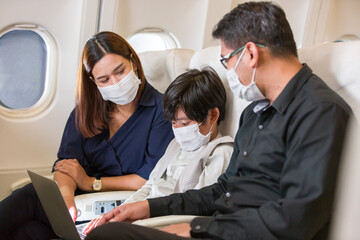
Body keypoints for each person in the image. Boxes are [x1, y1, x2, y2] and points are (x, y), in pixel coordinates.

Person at [83, 2, 352, 240]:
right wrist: (148, 207)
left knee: (109, 236)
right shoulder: (255, 112)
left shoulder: (320, 111)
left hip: (235, 233)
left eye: (226, 61)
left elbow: (296, 219)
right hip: (220, 228)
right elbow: (225, 189)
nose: (228, 72)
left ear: (250, 54)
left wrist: (199, 229)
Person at [0, 31, 174, 240]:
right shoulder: (87, 109)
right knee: (28, 231)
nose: (115, 83)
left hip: (116, 203)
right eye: (104, 79)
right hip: (78, 200)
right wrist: (65, 196)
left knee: (29, 198)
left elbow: (146, 179)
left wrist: (91, 182)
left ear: (133, 62)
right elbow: (66, 163)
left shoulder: (161, 112)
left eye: (120, 71)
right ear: (93, 81)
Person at [123, 68, 233, 205]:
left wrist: (145, 210)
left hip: (166, 218)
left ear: (213, 115)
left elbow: (199, 206)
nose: (178, 130)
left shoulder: (220, 153)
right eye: (174, 123)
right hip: (148, 210)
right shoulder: (175, 145)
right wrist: (124, 209)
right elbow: (150, 185)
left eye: (185, 123)